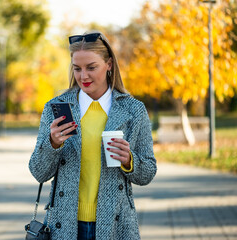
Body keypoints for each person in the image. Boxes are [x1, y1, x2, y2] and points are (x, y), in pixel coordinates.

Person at [29, 30, 157, 240]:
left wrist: (129, 160)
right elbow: (38, 173)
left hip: (116, 225)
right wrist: (52, 144)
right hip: (64, 225)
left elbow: (148, 172)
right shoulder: (56, 107)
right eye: (77, 68)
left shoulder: (134, 111)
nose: (83, 76)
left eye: (91, 67)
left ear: (109, 65)